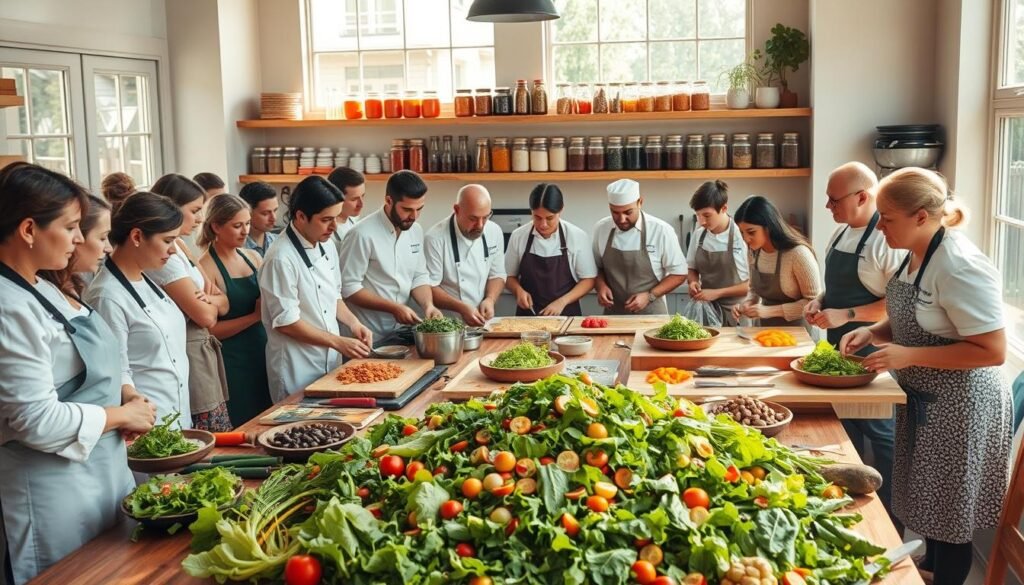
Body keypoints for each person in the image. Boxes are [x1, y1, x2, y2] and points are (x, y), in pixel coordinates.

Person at [842, 168, 1011, 585]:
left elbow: (992, 351)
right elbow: (916, 319)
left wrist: (907, 355)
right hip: (926, 399)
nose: (879, 226)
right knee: (928, 510)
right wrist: (874, 330)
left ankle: (944, 577)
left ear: (922, 216)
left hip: (963, 407)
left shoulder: (958, 266)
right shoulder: (914, 251)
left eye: (888, 218)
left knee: (949, 522)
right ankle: (927, 573)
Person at [0, 163, 155, 584]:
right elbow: (35, 420)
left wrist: (126, 396)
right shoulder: (8, 306)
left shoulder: (41, 287)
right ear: (29, 229)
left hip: (100, 472)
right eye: (70, 227)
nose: (79, 238)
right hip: (52, 490)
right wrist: (120, 417)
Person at [804, 162, 902, 526]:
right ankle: (856, 520)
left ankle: (892, 524)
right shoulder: (840, 234)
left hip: (873, 360)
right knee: (848, 439)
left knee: (883, 441)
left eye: (834, 200)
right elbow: (837, 288)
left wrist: (846, 315)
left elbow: (897, 303)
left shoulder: (886, 240)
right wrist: (821, 300)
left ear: (863, 197)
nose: (829, 207)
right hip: (837, 358)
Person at [259, 175, 372, 401]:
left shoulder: (326, 244)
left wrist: (354, 323)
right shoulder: (280, 259)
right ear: (301, 216)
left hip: (330, 362)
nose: (333, 226)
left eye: (336, 218)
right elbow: (287, 323)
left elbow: (333, 296)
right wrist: (338, 341)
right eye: (326, 219)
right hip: (296, 367)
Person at [85, 192, 191, 423]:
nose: (173, 250)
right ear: (136, 236)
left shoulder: (147, 279)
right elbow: (117, 370)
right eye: (167, 240)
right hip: (147, 424)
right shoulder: (107, 296)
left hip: (178, 414)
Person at [149, 174, 231, 432]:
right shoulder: (167, 258)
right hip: (190, 353)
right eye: (194, 211)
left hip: (201, 352)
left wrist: (211, 303)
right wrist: (210, 304)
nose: (199, 219)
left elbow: (223, 301)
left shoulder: (180, 246)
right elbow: (206, 317)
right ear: (171, 209)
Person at [339, 170, 441, 342]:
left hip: (400, 333)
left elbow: (419, 276)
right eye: (407, 209)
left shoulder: (415, 230)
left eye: (419, 209)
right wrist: (394, 308)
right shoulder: (361, 234)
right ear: (388, 201)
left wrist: (428, 306)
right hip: (367, 335)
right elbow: (348, 288)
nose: (414, 217)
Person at [198, 194, 272, 427]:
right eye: (237, 225)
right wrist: (254, 317)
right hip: (233, 362)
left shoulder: (253, 257)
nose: (245, 231)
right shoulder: (205, 268)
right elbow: (210, 331)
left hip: (264, 351)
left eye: (247, 223)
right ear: (216, 226)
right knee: (244, 423)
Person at [594, 179, 687, 315]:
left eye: (628, 212)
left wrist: (650, 296)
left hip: (652, 317)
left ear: (640, 202)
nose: (622, 219)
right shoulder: (601, 228)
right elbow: (596, 268)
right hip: (613, 317)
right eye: (615, 212)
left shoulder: (661, 230)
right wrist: (600, 286)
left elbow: (679, 273)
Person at [505, 183, 596, 316]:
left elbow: (589, 280)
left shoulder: (577, 236)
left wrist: (562, 301)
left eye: (549, 218)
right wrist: (518, 291)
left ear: (561, 210)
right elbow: (508, 276)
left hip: (566, 316)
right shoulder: (518, 236)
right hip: (528, 317)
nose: (543, 224)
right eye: (537, 217)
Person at [731, 196, 821, 326]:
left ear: (768, 227)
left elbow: (814, 303)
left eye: (751, 232)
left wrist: (768, 311)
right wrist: (747, 303)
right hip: (766, 330)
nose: (746, 239)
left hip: (798, 333)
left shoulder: (798, 254)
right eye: (742, 232)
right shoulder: (754, 251)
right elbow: (754, 288)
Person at [424, 184, 505, 326]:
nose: (480, 225)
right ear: (456, 210)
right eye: (473, 219)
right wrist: (461, 307)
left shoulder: (494, 231)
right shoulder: (435, 238)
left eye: (485, 217)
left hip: (482, 322)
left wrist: (490, 299)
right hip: (447, 325)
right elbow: (430, 287)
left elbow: (497, 274)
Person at [685, 180, 749, 325]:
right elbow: (691, 267)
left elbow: (751, 286)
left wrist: (717, 293)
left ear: (724, 208)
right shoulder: (699, 234)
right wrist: (693, 281)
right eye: (698, 215)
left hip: (738, 313)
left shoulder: (741, 236)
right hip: (707, 311)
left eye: (707, 215)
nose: (701, 221)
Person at [326, 166, 366, 252]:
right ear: (335, 198)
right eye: (354, 199)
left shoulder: (354, 219)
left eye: (363, 196)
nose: (361, 204)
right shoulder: (325, 233)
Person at [238, 180, 279, 257]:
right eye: (265, 213)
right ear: (247, 212)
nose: (273, 218)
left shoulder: (279, 243)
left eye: (275, 210)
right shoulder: (236, 250)